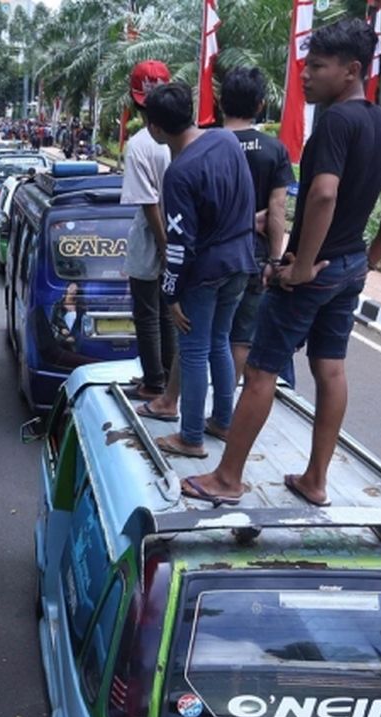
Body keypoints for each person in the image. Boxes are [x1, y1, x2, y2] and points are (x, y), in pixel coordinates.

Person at [185, 19, 381, 506]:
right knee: (330, 369)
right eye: (305, 64)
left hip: (317, 269)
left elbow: (324, 194)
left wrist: (303, 264)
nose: (306, 75)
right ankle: (316, 480)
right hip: (350, 265)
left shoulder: (336, 121)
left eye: (317, 66)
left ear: (352, 71)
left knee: (262, 370)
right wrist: (369, 258)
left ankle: (227, 479)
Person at [144, 83, 254, 459]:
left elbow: (179, 244)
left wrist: (171, 293)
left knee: (192, 349)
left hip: (205, 272)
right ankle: (223, 421)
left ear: (155, 128)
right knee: (220, 340)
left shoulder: (179, 173)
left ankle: (190, 437)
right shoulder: (226, 141)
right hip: (241, 262)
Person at [219, 67, 296, 384]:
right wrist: (275, 260)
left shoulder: (205, 143)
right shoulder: (274, 149)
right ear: (260, 105)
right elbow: (278, 208)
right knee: (241, 337)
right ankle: (224, 406)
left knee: (205, 334)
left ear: (220, 102)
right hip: (255, 253)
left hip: (213, 254)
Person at [120, 61, 177, 402]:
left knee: (147, 315)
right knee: (169, 312)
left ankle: (154, 382)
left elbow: (149, 202)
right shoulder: (183, 135)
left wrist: (163, 244)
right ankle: (167, 378)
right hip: (181, 236)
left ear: (134, 97)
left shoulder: (140, 144)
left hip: (152, 239)